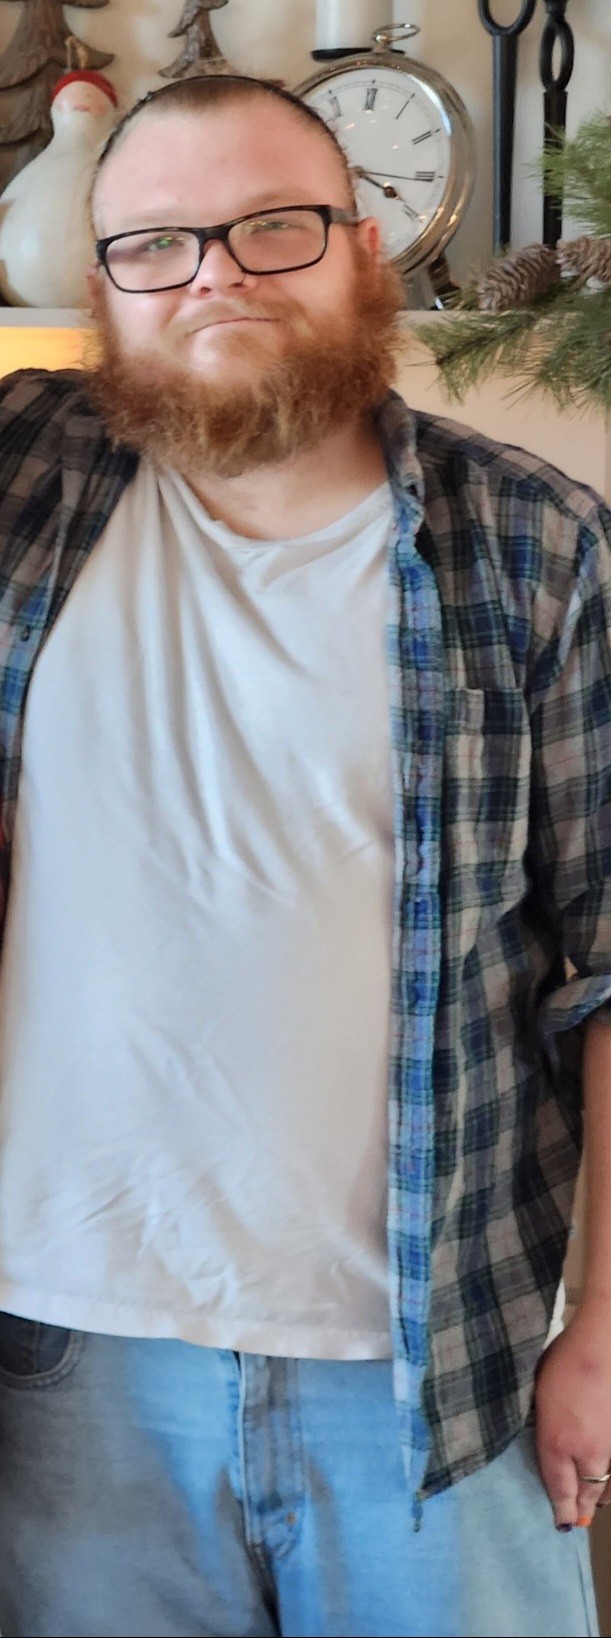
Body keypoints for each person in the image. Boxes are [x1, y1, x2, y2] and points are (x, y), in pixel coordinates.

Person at [0, 71, 609, 1638]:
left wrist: (602, 1333)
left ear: (365, 249)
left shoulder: (535, 544)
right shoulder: (21, 490)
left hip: (435, 1361)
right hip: (63, 1364)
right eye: (158, 243)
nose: (216, 274)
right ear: (99, 287)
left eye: (275, 226)